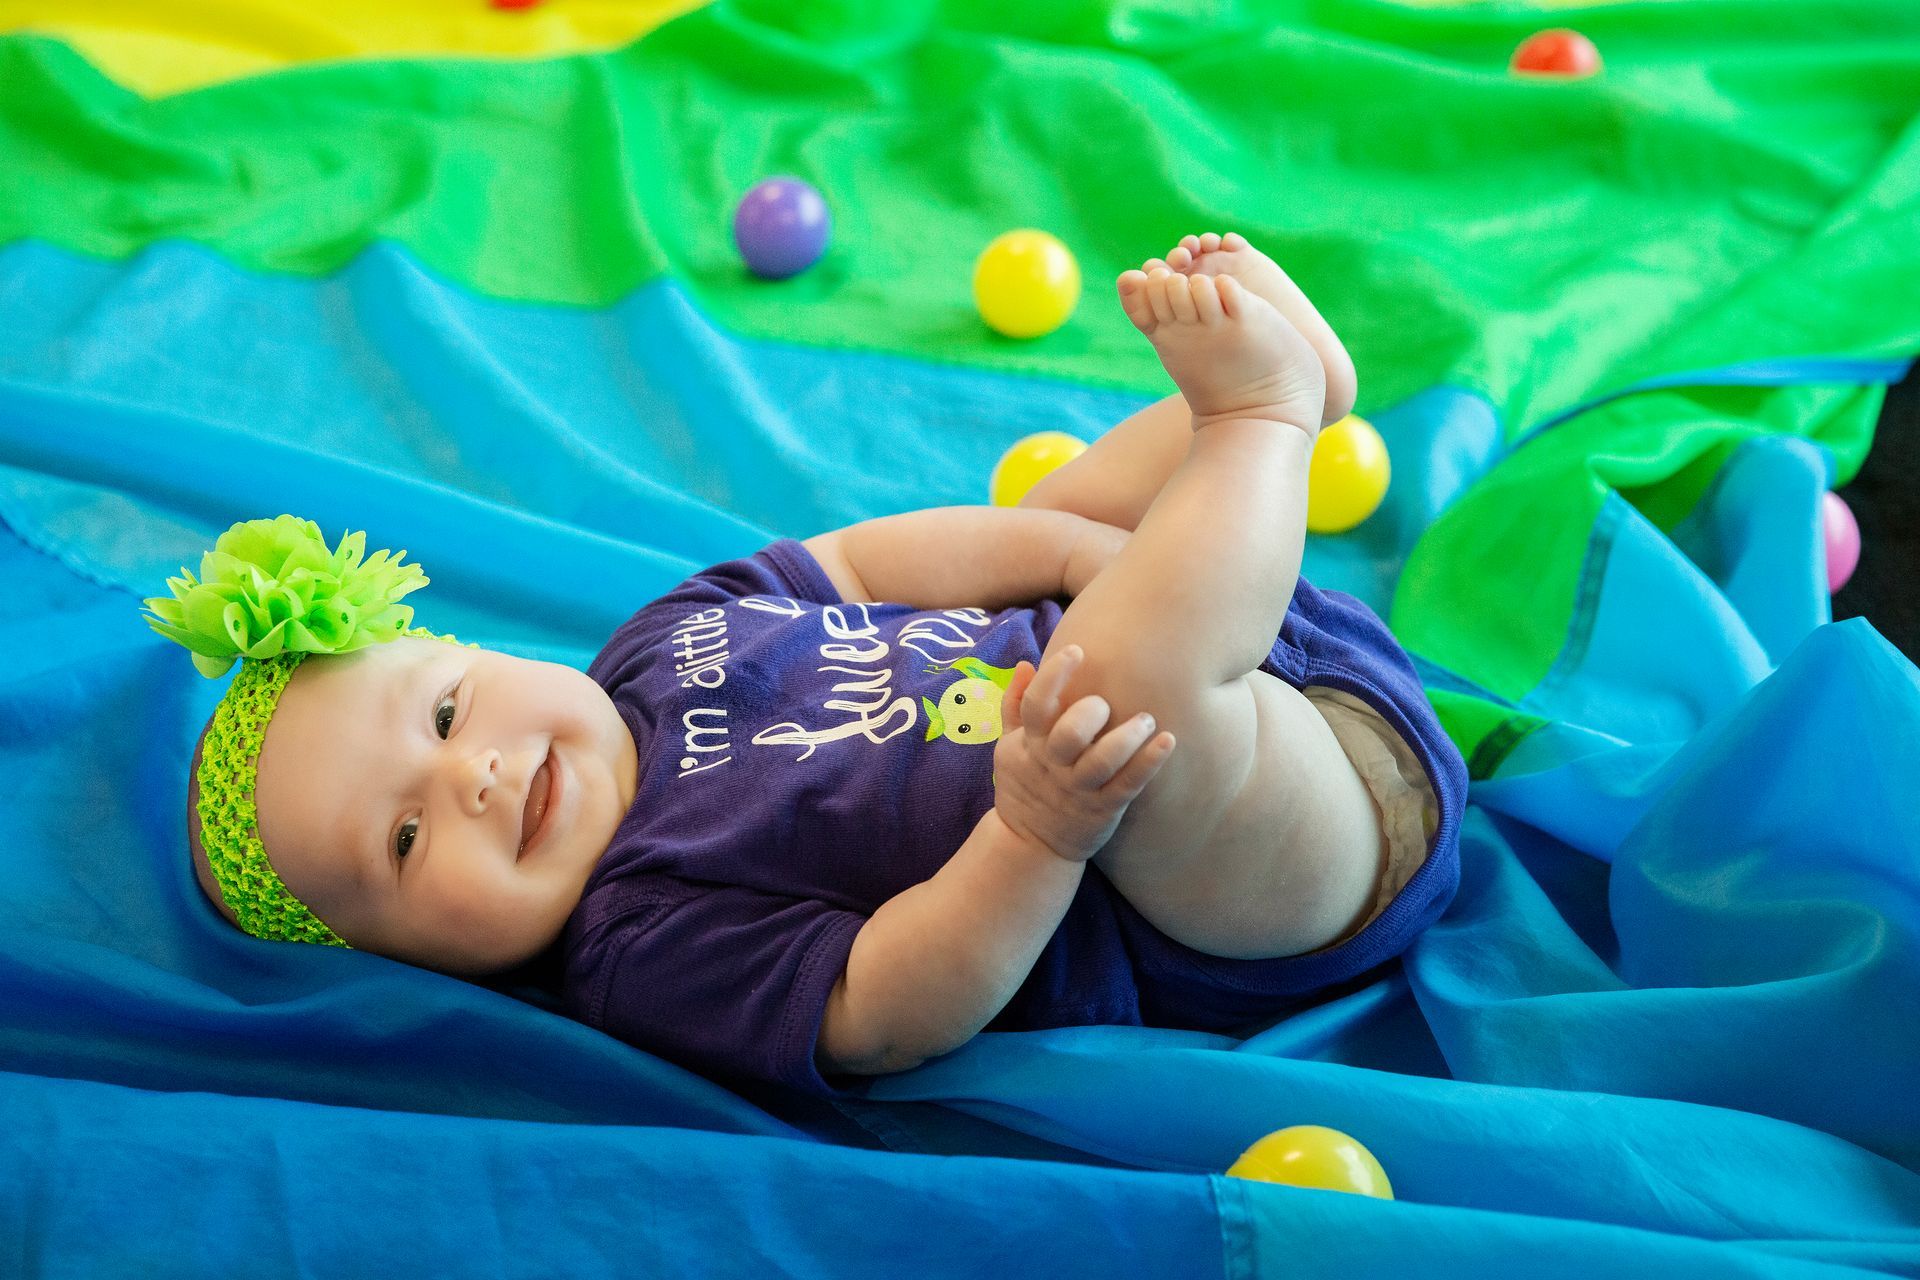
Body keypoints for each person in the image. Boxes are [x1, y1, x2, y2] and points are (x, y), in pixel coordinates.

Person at [154, 232, 1465, 1098]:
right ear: (408, 960)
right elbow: (886, 1004)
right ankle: (1260, 424)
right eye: (401, 841)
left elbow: (868, 563)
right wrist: (1037, 835)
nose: (478, 778)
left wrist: (1066, 548)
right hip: (1250, 860)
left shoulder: (658, 647)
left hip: (1244, 629)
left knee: (1041, 529)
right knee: (1104, 698)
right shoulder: (639, 939)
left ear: (475, 651)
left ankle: (1270, 415)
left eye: (445, 714)